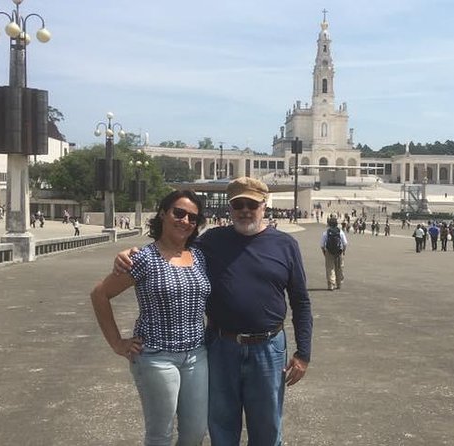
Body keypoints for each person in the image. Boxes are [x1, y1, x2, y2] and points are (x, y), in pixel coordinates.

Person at [115, 177, 313, 446]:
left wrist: (303, 354)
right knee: (221, 425)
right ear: (230, 209)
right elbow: (173, 249)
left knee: (268, 427)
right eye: (238, 205)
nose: (245, 210)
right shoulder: (211, 241)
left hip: (268, 347)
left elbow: (300, 301)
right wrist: (131, 252)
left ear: (263, 206)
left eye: (251, 204)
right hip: (221, 346)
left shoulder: (285, 245)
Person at [91, 190, 210, 445]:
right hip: (157, 356)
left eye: (193, 218)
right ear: (163, 214)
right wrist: (117, 343)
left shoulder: (199, 256)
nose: (185, 221)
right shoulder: (144, 258)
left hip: (196, 355)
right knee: (160, 434)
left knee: (195, 432)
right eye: (179, 213)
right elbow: (100, 294)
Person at [322, 214, 348, 290]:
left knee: (330, 268)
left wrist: (324, 252)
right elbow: (345, 243)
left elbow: (322, 245)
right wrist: (343, 251)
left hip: (329, 251)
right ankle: (339, 284)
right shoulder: (340, 232)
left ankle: (331, 284)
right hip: (339, 251)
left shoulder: (326, 233)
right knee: (339, 267)